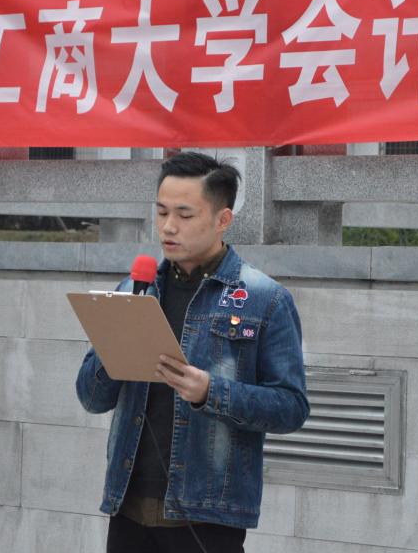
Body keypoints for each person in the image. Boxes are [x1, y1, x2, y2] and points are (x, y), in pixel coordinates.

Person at [76, 151, 310, 553]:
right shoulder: (135, 289)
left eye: (184, 215)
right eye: (162, 212)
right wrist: (114, 348)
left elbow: (291, 407)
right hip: (126, 507)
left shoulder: (264, 299)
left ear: (222, 220)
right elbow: (91, 398)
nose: (169, 226)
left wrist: (210, 392)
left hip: (206, 515)